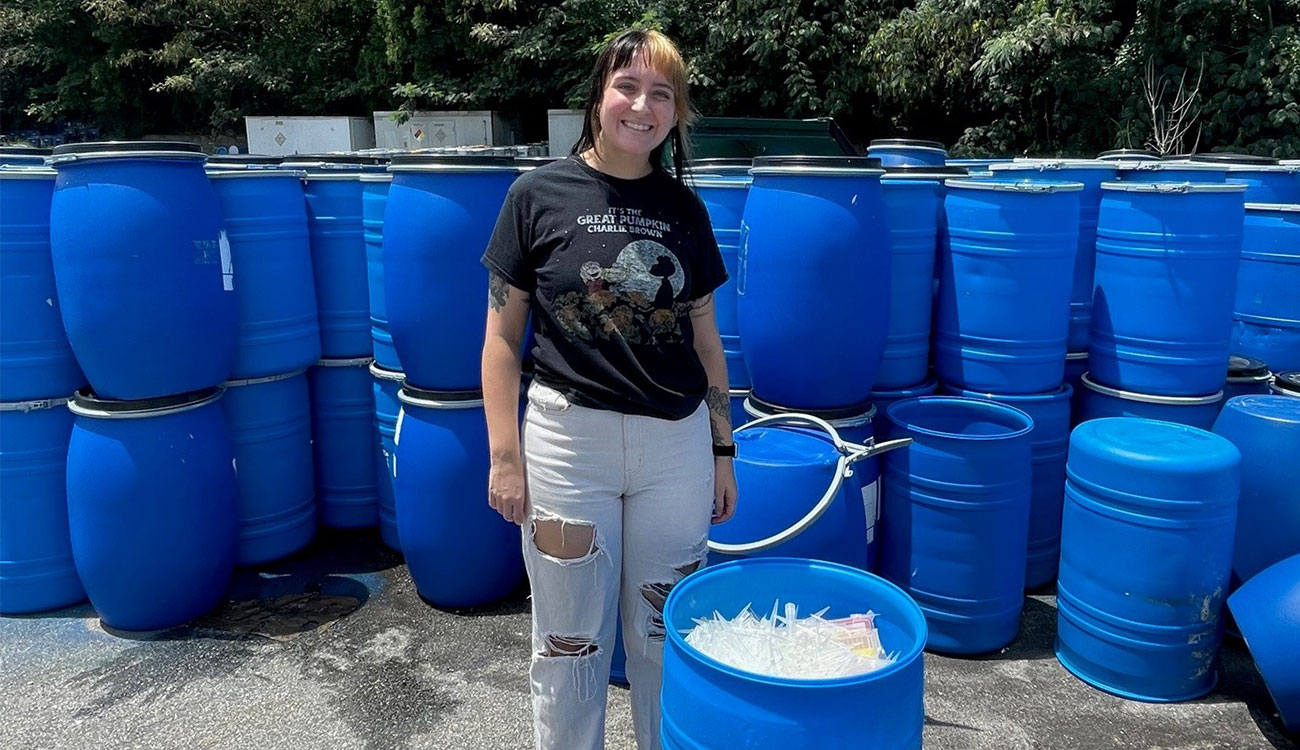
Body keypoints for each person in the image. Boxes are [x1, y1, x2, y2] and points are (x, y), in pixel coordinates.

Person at [480, 27, 739, 750]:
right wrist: (506, 456)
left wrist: (724, 451)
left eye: (663, 93)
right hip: (569, 444)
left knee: (667, 637)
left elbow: (708, 342)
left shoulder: (686, 211)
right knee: (569, 646)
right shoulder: (536, 196)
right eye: (627, 86)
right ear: (597, 96)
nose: (642, 105)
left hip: (675, 451)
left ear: (676, 113)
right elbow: (502, 342)